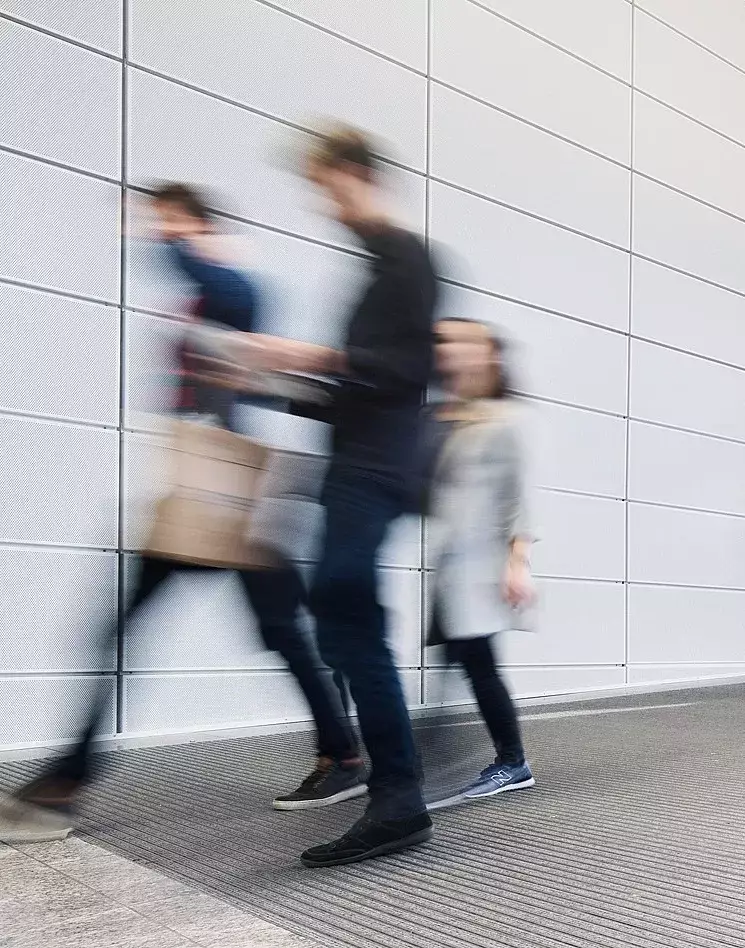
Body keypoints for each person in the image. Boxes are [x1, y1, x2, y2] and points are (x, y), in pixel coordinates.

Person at [0, 184, 361, 844]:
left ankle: (67, 781)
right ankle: (343, 752)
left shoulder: (231, 286)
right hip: (207, 493)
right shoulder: (207, 292)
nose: (153, 229)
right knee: (269, 632)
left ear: (198, 225)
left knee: (257, 632)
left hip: (223, 495)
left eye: (169, 217)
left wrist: (183, 243)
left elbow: (219, 304)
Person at [243, 126, 439, 866]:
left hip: (375, 473)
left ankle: (397, 798)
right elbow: (356, 392)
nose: (321, 204)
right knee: (341, 620)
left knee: (347, 619)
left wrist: (309, 355)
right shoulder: (374, 269)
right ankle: (390, 788)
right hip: (355, 468)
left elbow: (400, 372)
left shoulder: (407, 259)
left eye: (326, 187)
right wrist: (269, 384)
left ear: (358, 174)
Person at [425, 318, 537, 802]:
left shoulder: (508, 419)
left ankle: (512, 762)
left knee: (478, 662)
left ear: (490, 355)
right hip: (452, 563)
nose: (450, 350)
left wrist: (518, 562)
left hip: (482, 565)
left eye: (462, 342)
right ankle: (434, 758)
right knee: (458, 661)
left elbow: (523, 495)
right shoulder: (454, 415)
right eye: (445, 343)